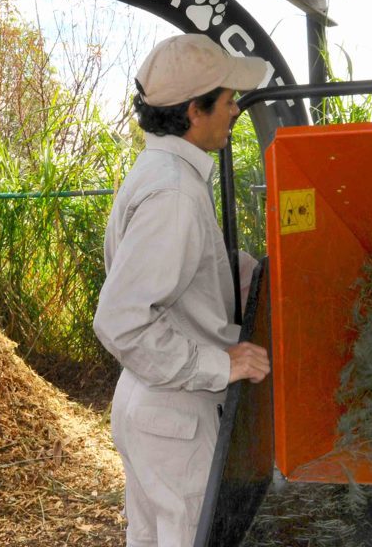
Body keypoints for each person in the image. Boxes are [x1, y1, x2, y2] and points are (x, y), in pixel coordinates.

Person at [93, 34, 272, 547]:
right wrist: (224, 364)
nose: (236, 109)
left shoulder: (164, 173)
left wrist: (249, 272)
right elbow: (121, 320)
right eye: (228, 98)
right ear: (195, 110)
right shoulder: (173, 192)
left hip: (152, 404)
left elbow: (182, 272)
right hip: (175, 410)